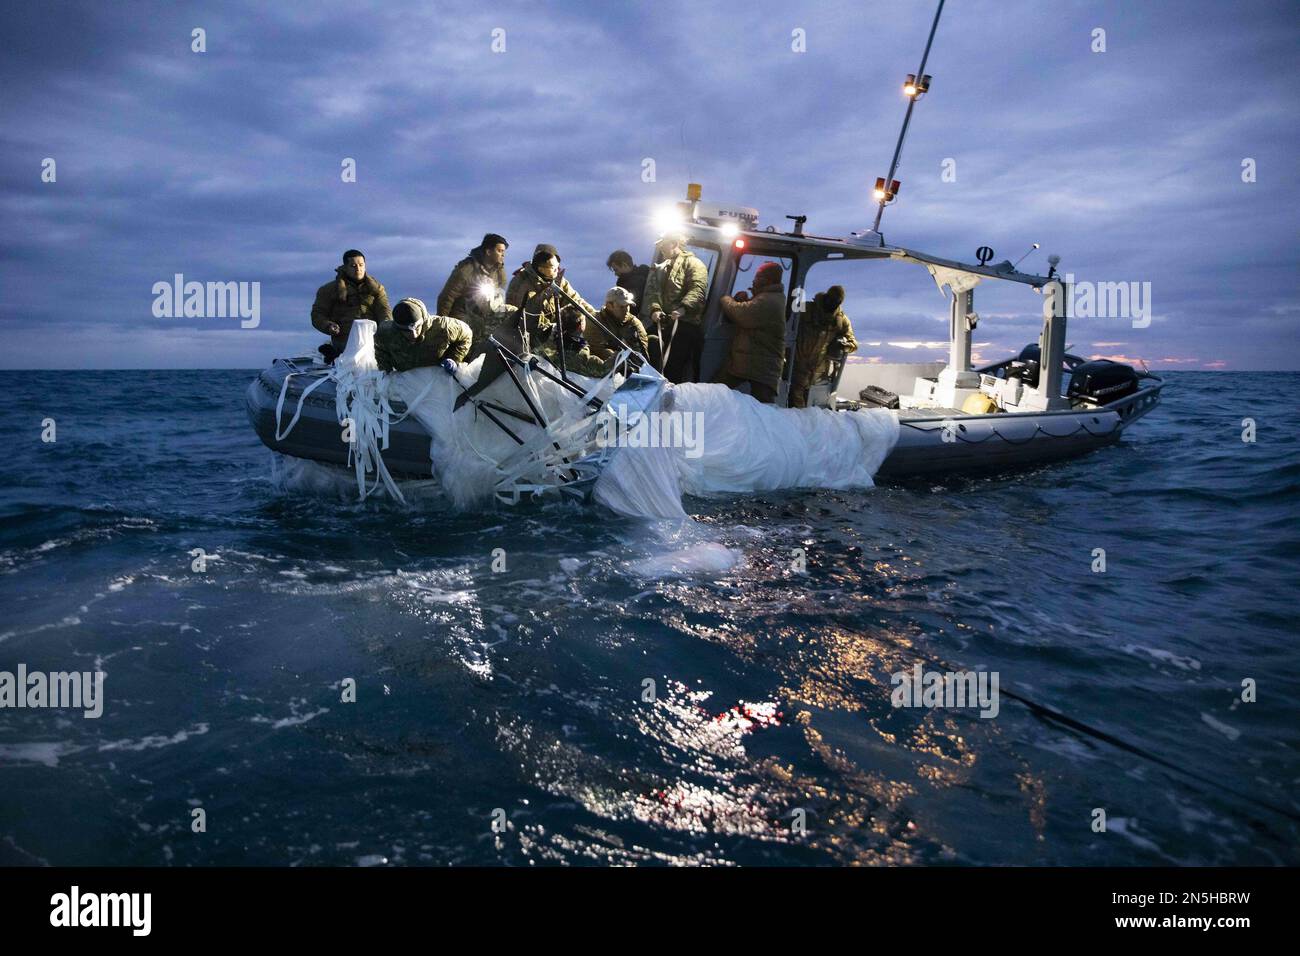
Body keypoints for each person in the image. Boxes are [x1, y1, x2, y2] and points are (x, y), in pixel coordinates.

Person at [715, 261, 787, 404]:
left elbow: (743, 315)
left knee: (762, 410)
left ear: (768, 280)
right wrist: (745, 300)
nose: (754, 280)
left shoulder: (769, 300)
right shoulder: (767, 298)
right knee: (717, 389)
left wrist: (726, 299)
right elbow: (753, 312)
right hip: (753, 363)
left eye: (758, 277)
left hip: (761, 367)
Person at [642, 232, 708, 383]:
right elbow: (653, 291)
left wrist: (683, 308)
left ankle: (669, 401)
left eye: (663, 245)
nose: (660, 249)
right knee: (646, 354)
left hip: (684, 325)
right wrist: (655, 309)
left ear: (673, 243)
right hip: (662, 324)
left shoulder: (695, 264)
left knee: (673, 368)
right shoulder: (661, 267)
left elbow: (698, 289)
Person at [311, 249, 391, 363]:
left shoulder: (376, 289)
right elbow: (317, 314)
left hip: (372, 340)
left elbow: (384, 311)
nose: (358, 269)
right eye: (353, 265)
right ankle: (334, 355)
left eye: (361, 265)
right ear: (345, 267)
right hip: (344, 340)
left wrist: (386, 327)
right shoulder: (328, 290)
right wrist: (328, 326)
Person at [505, 243, 595, 339]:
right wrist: (554, 330)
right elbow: (527, 317)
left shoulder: (558, 281)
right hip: (530, 336)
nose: (557, 270)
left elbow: (575, 300)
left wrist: (595, 316)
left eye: (558, 266)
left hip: (556, 333)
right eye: (553, 267)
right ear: (540, 268)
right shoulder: (521, 283)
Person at [789, 285, 858, 408]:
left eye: (836, 301)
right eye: (831, 299)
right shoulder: (807, 308)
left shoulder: (841, 320)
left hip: (818, 374)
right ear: (826, 296)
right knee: (795, 405)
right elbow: (788, 321)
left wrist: (843, 345)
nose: (832, 303)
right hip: (796, 367)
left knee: (812, 408)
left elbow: (853, 343)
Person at [374, 297, 472, 374]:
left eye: (417, 328)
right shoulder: (386, 332)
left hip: (438, 378)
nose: (414, 334)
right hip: (407, 380)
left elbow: (466, 334)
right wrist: (386, 372)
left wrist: (454, 359)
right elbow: (380, 350)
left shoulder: (443, 327)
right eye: (407, 331)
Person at [436, 233, 509, 320]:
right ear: (488, 252)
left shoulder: (500, 273)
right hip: (461, 320)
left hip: (485, 322)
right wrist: (441, 323)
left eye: (504, 251)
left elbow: (499, 300)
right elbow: (447, 297)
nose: (503, 255)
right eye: (499, 251)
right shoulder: (466, 269)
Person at [534, 310, 613, 378]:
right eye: (584, 320)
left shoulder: (549, 336)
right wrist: (619, 355)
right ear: (580, 326)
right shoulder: (579, 355)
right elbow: (603, 370)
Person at [586, 287, 649, 361]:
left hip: (631, 365)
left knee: (654, 340)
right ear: (609, 305)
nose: (626, 310)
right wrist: (621, 359)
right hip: (605, 367)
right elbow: (598, 349)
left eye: (628, 305)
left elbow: (643, 350)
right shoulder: (594, 320)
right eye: (622, 307)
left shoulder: (634, 323)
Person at [606, 250, 650, 316]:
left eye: (616, 270)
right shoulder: (646, 272)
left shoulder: (623, 286)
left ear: (624, 265)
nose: (615, 274)